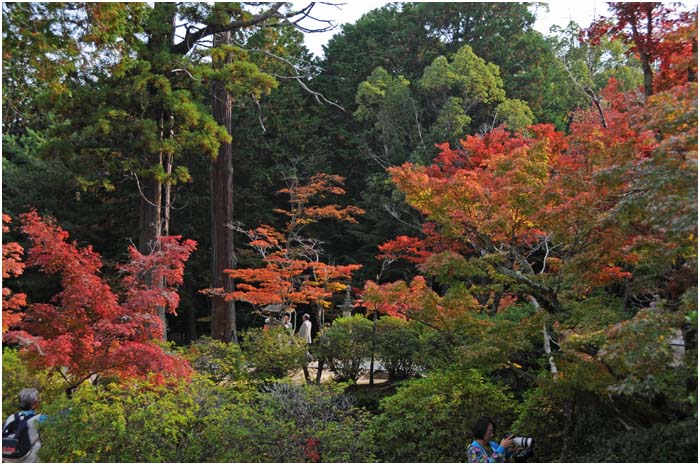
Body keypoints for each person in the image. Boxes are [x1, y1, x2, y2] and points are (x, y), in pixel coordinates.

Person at [2, 388, 47, 463]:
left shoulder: (11, 417)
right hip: (29, 458)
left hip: (9, 457)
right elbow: (58, 419)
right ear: (33, 405)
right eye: (38, 400)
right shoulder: (39, 418)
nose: (39, 401)